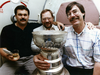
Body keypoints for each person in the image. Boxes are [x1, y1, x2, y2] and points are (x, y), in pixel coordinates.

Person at [33, 2, 100, 75]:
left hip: (89, 71)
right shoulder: (64, 33)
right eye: (69, 14)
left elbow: (98, 62)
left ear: (83, 13)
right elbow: (56, 51)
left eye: (75, 12)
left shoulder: (96, 33)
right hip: (69, 70)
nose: (72, 15)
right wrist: (38, 57)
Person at [0, 5, 65, 75]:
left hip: (31, 59)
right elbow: (2, 48)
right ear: (15, 16)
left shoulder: (34, 27)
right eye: (20, 15)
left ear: (28, 16)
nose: (23, 17)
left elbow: (47, 23)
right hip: (13, 60)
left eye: (25, 15)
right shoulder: (7, 29)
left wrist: (56, 22)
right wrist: (8, 56)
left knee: (41, 73)